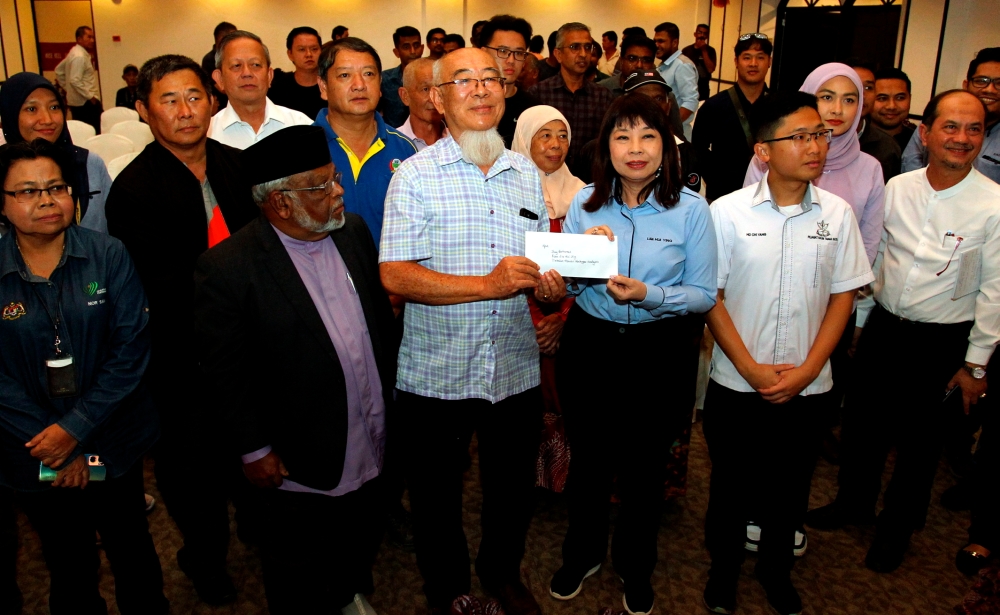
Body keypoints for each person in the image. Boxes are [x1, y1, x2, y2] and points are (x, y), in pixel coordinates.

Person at [379, 47, 565, 615]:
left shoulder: (525, 175)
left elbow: (533, 263)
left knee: (510, 489)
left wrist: (550, 287)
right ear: (437, 99)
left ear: (507, 91)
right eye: (464, 81)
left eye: (492, 78)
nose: (481, 90)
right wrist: (486, 285)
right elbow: (395, 274)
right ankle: (448, 584)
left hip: (511, 361)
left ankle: (501, 572)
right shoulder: (413, 176)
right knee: (435, 494)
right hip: (436, 367)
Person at [194, 125, 397, 615]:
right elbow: (225, 374)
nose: (338, 192)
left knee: (357, 533)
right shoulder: (228, 268)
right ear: (281, 203)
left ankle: (348, 592)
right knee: (296, 564)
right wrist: (254, 448)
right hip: (296, 453)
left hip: (366, 428)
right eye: (321, 186)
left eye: (333, 180)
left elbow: (377, 324)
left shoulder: (353, 233)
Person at [805, 89, 1000, 574]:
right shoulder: (897, 188)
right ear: (926, 132)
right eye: (950, 127)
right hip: (885, 328)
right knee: (863, 425)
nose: (962, 138)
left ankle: (897, 527)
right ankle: (853, 502)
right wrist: (859, 325)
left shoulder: (994, 205)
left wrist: (975, 362)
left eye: (973, 129)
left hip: (944, 340)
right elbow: (875, 259)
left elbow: (996, 290)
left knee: (920, 444)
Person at [703, 92, 873, 615]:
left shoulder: (838, 214)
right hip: (737, 381)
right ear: (764, 151)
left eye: (819, 134)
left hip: (810, 383)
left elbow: (844, 294)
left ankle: (776, 570)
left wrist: (809, 370)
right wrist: (751, 368)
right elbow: (712, 294)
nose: (815, 146)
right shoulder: (726, 212)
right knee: (730, 487)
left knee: (791, 488)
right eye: (799, 137)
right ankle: (722, 574)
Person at [548, 93, 716, 615]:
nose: (635, 148)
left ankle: (636, 566)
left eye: (648, 136)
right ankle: (582, 553)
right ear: (607, 147)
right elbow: (568, 285)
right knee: (590, 461)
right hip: (591, 346)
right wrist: (577, 267)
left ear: (666, 147)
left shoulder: (692, 210)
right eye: (622, 136)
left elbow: (705, 293)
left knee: (645, 468)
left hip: (658, 350)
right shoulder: (585, 204)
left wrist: (650, 295)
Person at [105, 54, 259, 606]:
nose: (185, 110)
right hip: (182, 358)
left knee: (254, 457)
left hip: (251, 349)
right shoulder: (134, 189)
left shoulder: (238, 166)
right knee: (194, 477)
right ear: (144, 110)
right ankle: (203, 558)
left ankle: (254, 537)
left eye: (194, 96)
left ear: (212, 101)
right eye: (168, 100)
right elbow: (163, 285)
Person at [0, 138, 168, 615]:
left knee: (131, 548)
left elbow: (130, 349)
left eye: (56, 187)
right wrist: (52, 441)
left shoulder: (108, 254)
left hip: (110, 441)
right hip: (33, 449)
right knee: (67, 559)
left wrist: (73, 432)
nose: (47, 199)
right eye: (28, 191)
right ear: (2, 202)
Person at [510, 105, 584, 493]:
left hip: (567, 314)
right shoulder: (508, 191)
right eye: (545, 135)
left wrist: (561, 318)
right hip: (517, 314)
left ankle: (558, 478)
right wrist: (537, 319)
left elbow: (589, 269)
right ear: (525, 138)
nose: (556, 145)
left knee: (563, 395)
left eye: (563, 135)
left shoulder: (585, 196)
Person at [745, 63, 884, 266]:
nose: (837, 110)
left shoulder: (870, 168)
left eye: (849, 100)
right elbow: (749, 226)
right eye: (827, 97)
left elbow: (868, 244)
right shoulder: (769, 157)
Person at [314, 38, 416, 248]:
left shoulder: (405, 149)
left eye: (369, 74)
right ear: (323, 86)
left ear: (380, 85)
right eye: (345, 75)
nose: (359, 85)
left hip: (389, 275)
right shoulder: (302, 150)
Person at [0, 72, 112, 235]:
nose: (47, 119)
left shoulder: (88, 164)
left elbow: (115, 226)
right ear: (10, 115)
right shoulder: (2, 170)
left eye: (54, 107)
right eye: (31, 109)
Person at [692, 33, 771, 202]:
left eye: (760, 57)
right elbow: (698, 149)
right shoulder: (714, 106)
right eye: (747, 57)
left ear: (769, 61)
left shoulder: (779, 106)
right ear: (736, 62)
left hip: (770, 195)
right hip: (724, 195)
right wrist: (715, 179)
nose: (753, 64)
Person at [902, 47, 1000, 184]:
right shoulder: (936, 120)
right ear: (966, 85)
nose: (990, 89)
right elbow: (910, 168)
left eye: (999, 83)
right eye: (981, 81)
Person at [528, 23, 613, 178]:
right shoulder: (538, 94)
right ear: (558, 54)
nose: (583, 54)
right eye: (575, 47)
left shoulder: (603, 96)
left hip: (591, 184)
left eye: (588, 47)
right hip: (546, 182)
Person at [208, 30, 312, 149]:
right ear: (220, 79)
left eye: (256, 65)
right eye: (236, 65)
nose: (247, 73)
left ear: (269, 76)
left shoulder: (302, 126)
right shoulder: (207, 134)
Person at [597, 37, 684, 138]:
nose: (639, 65)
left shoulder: (663, 96)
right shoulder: (601, 90)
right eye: (632, 59)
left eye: (646, 60)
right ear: (621, 61)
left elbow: (677, 136)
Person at [479, 15, 540, 147]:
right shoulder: (470, 100)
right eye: (503, 51)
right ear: (483, 53)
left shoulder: (533, 108)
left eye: (518, 53)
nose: (511, 60)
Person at [850, 61, 901, 182]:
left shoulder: (887, 147)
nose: (862, 94)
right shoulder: (814, 137)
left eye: (868, 88)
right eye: (853, 85)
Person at [269, 27, 327, 120]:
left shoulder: (331, 86)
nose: (309, 54)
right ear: (290, 54)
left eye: (314, 49)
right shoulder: (277, 90)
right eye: (301, 49)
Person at [653, 22, 698, 139]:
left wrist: (669, 125)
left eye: (661, 41)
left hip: (677, 135)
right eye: (655, 41)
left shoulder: (682, 65)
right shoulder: (663, 66)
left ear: (674, 43)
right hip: (663, 132)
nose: (656, 45)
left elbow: (690, 102)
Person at [55, 26, 102, 134]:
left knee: (82, 133)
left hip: (79, 102)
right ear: (79, 39)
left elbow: (58, 71)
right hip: (86, 103)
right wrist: (90, 97)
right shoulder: (79, 56)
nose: (92, 40)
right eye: (89, 37)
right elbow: (74, 80)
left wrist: (69, 89)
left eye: (92, 37)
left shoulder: (74, 52)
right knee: (92, 133)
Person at [397, 58, 446, 150]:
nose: (433, 99)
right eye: (425, 89)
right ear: (405, 96)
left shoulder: (459, 141)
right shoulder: (393, 144)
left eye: (439, 88)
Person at [381, 27, 424, 128]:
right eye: (406, 47)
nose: (412, 51)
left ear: (422, 48)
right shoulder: (385, 80)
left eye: (416, 45)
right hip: (393, 139)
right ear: (397, 52)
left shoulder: (433, 78)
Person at [871, 67, 916, 153]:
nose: (891, 106)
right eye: (882, 98)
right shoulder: (854, 140)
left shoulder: (920, 143)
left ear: (910, 98)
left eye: (900, 98)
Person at [202, 22, 237, 111]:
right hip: (220, 109)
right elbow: (221, 88)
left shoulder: (234, 56)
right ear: (222, 40)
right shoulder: (209, 60)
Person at [681, 23, 716, 102]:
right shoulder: (686, 50)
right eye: (700, 32)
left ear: (707, 36)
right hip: (687, 86)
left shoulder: (710, 50)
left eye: (705, 33)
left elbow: (710, 69)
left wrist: (704, 50)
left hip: (703, 88)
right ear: (695, 34)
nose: (702, 35)